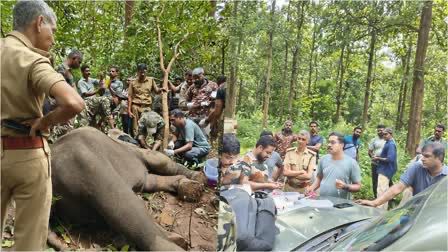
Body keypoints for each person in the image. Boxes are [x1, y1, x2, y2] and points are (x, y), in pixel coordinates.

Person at [1, 1, 85, 250]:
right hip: (26, 154)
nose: (54, 37)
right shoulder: (31, 59)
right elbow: (73, 103)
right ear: (39, 22)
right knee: (29, 242)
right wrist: (44, 121)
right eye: (54, 29)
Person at [357, 142, 447, 207]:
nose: (422, 159)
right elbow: (398, 188)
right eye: (422, 155)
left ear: (439, 158)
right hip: (416, 211)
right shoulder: (417, 167)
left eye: (427, 156)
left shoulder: (446, 175)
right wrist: (375, 202)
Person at [308, 132, 362, 199]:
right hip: (323, 202)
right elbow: (319, 178)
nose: (329, 145)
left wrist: (345, 186)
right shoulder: (323, 159)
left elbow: (358, 186)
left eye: (333, 142)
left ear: (342, 145)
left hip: (341, 205)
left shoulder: (351, 163)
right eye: (329, 142)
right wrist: (312, 188)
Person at [128, 63, 166, 136]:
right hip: (136, 106)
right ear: (138, 72)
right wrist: (129, 110)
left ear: (146, 71)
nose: (142, 74)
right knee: (135, 125)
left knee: (147, 123)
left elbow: (156, 90)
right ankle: (137, 140)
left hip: (147, 106)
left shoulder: (151, 80)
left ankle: (144, 139)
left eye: (144, 72)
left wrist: (161, 89)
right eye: (140, 72)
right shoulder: (133, 82)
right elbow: (129, 96)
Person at [372, 128, 397, 209]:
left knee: (382, 191)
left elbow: (390, 159)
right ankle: (381, 209)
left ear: (391, 134)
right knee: (382, 190)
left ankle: (380, 211)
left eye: (386, 134)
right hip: (383, 169)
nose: (384, 136)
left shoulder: (391, 144)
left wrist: (378, 159)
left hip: (385, 170)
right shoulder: (387, 143)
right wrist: (378, 156)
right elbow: (386, 156)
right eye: (383, 134)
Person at [368, 124, 386, 197]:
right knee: (375, 180)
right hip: (375, 163)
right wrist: (373, 157)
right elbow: (369, 151)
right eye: (378, 130)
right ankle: (376, 196)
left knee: (386, 180)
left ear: (384, 130)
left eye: (381, 130)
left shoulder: (388, 139)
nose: (380, 132)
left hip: (385, 163)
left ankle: (387, 197)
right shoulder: (374, 140)